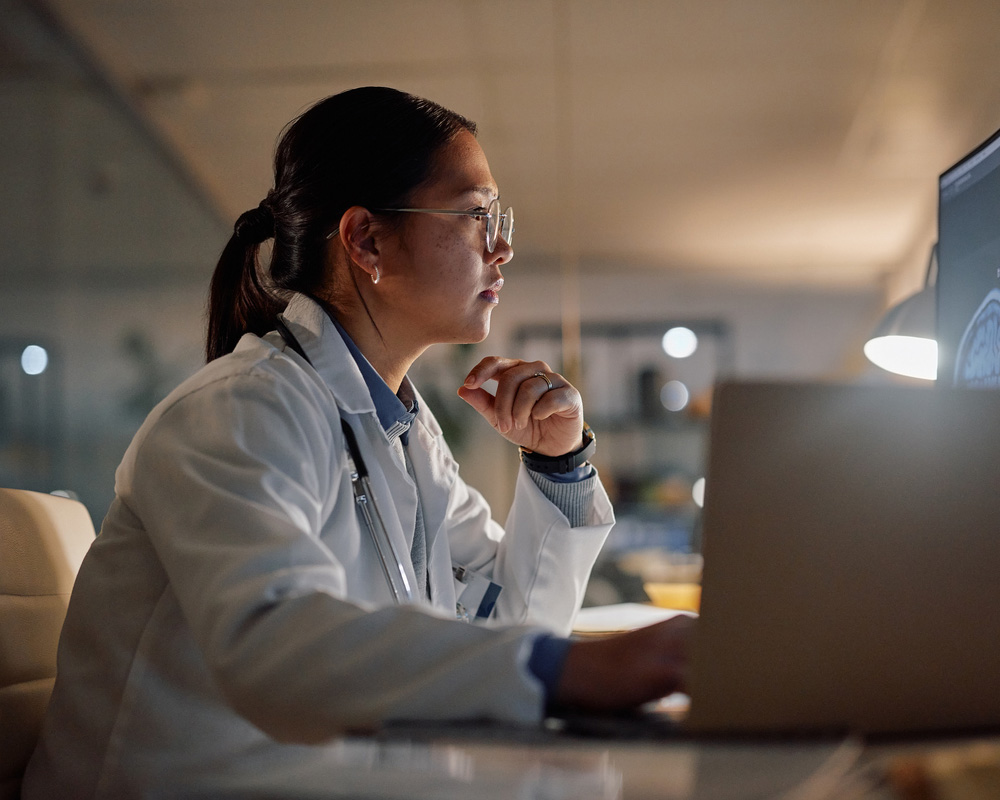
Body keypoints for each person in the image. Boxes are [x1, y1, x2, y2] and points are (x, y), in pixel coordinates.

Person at [24, 87, 692, 798]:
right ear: (367, 240)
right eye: (475, 216)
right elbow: (270, 644)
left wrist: (559, 464)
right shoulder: (241, 409)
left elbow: (508, 622)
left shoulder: (402, 431)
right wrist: (567, 671)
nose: (503, 246)